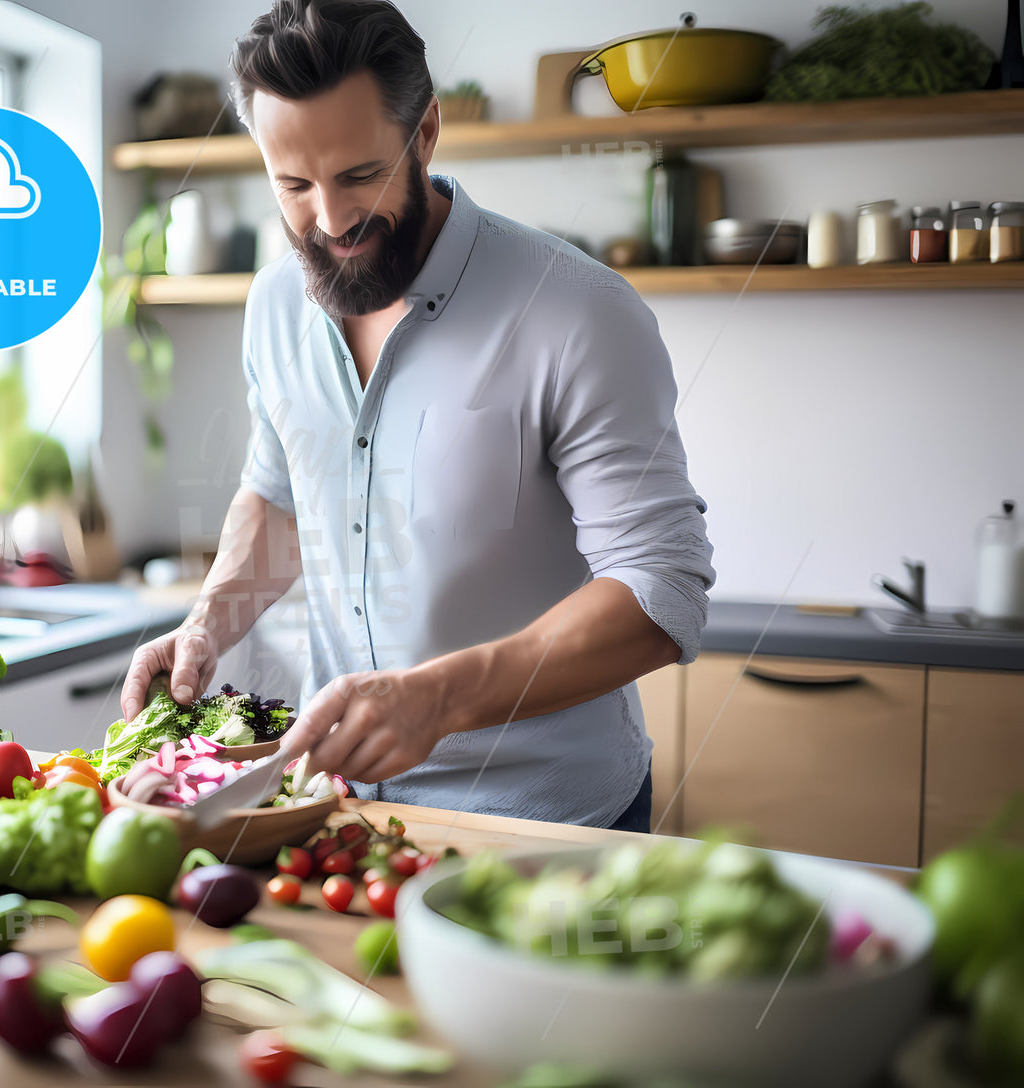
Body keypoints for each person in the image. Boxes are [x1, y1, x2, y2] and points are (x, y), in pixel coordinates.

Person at [120, 0, 715, 831]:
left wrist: (437, 698)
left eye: (359, 175)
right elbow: (283, 497)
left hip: (545, 820)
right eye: (292, 185)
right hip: (339, 813)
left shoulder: (576, 311)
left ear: (424, 132)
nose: (329, 222)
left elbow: (662, 589)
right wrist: (206, 624)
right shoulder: (272, 303)